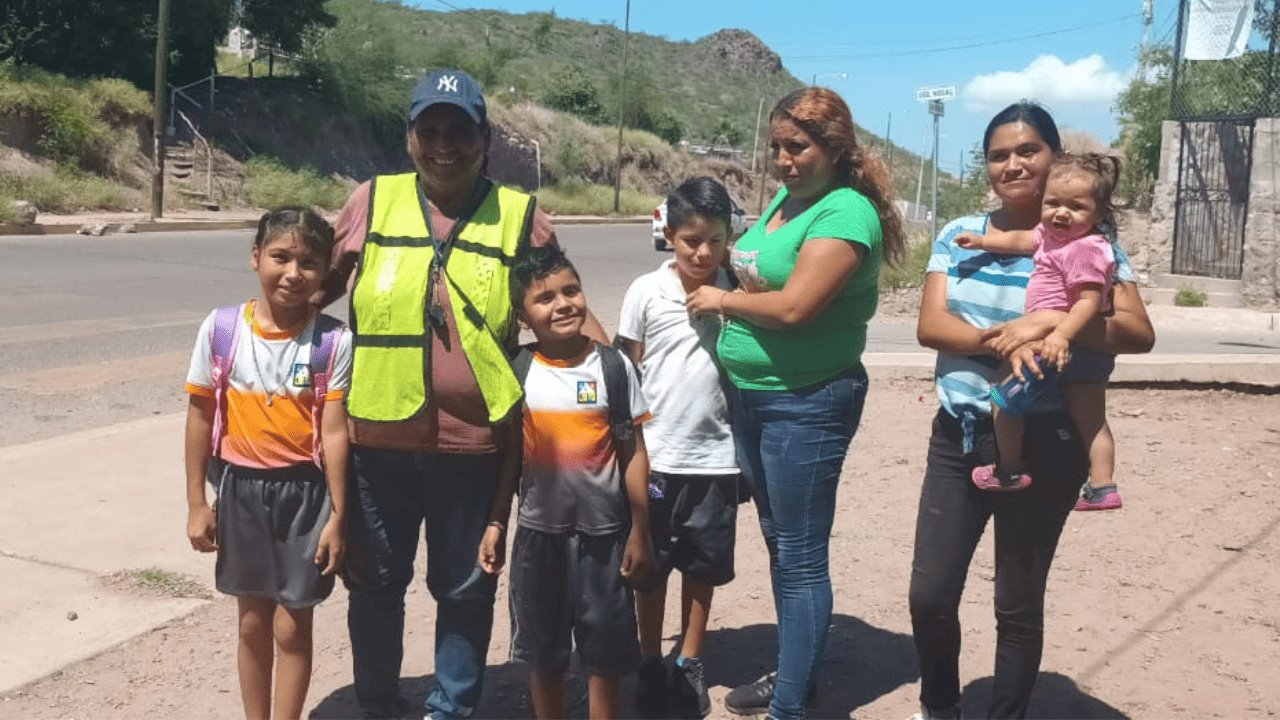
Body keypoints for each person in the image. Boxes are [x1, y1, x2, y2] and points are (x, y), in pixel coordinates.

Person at [318, 69, 607, 720]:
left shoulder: (520, 217)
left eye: (459, 130)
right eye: (430, 130)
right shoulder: (371, 200)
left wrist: (617, 384)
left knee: (466, 588)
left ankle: (451, 709)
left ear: (485, 138)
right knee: (374, 585)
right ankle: (378, 703)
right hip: (376, 441)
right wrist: (258, 341)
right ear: (410, 137)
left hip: (477, 447)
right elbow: (317, 289)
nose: (443, 143)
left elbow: (563, 304)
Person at [908, 102, 1155, 720]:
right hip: (962, 432)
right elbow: (931, 325)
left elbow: (1137, 332)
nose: (1013, 164)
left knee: (1017, 604)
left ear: (1053, 157)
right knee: (930, 594)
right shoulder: (959, 233)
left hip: (1048, 442)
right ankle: (941, 707)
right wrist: (1008, 341)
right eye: (999, 154)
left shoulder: (1097, 244)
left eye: (1028, 151)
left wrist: (1050, 325)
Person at [686, 87, 905, 720]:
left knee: (802, 555)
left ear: (833, 148)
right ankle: (797, 678)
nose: (783, 159)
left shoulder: (844, 213)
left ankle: (789, 708)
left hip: (807, 402)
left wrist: (722, 302)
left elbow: (794, 306)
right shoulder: (788, 200)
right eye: (777, 146)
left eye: (798, 146)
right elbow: (761, 270)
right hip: (756, 402)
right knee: (781, 545)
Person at [184, 207, 351, 720]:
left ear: (325, 272)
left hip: (306, 497)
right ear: (256, 257)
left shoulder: (333, 341)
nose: (293, 273)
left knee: (292, 625)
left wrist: (339, 516)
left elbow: (335, 430)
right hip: (240, 492)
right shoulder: (222, 329)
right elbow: (199, 415)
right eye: (280, 257)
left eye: (309, 262)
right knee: (252, 622)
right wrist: (197, 502)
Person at [484, 244, 653, 719]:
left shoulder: (614, 368)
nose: (562, 304)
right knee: (544, 652)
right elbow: (511, 460)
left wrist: (641, 529)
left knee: (606, 655)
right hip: (540, 539)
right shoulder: (519, 370)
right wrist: (497, 521)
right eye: (545, 298)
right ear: (523, 315)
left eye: (571, 291)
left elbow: (633, 450)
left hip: (605, 538)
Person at [616, 177, 743, 719]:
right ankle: (650, 661)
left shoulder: (738, 290)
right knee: (650, 566)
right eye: (691, 239)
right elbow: (627, 369)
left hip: (717, 458)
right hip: (657, 456)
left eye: (715, 239)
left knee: (703, 565)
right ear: (669, 233)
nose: (703, 251)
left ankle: (690, 662)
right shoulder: (647, 291)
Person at [955, 152, 1125, 509]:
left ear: (1099, 213)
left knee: (1003, 397)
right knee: (1091, 418)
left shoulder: (1084, 249)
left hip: (1063, 342)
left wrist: (1060, 335)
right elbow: (1021, 240)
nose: (1061, 213)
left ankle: (1009, 470)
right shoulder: (1052, 237)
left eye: (1076, 206)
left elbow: (1088, 302)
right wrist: (984, 242)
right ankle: (1103, 486)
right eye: (1053, 203)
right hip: (1081, 350)